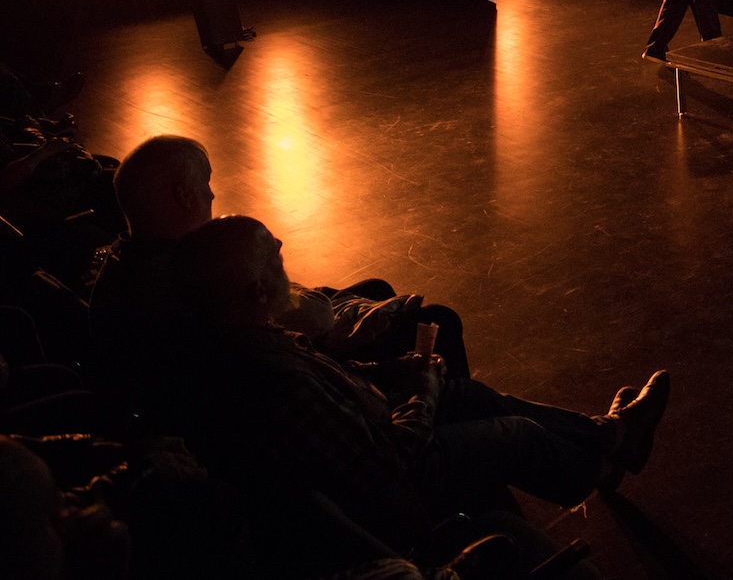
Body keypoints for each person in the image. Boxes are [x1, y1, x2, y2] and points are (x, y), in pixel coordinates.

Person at [152, 216, 668, 555]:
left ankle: (609, 436)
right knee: (514, 434)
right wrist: (420, 388)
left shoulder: (242, 338)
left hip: (373, 431)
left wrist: (393, 373)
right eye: (273, 256)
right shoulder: (272, 381)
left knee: (471, 396)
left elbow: (337, 384)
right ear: (259, 289)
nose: (283, 251)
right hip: (398, 488)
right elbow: (391, 461)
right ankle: (600, 462)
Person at [89, 135, 470, 382]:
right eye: (205, 184)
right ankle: (446, 419)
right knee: (439, 322)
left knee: (375, 289)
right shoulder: (189, 275)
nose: (212, 196)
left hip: (243, 373)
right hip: (282, 379)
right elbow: (307, 320)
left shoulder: (126, 264)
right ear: (184, 195)